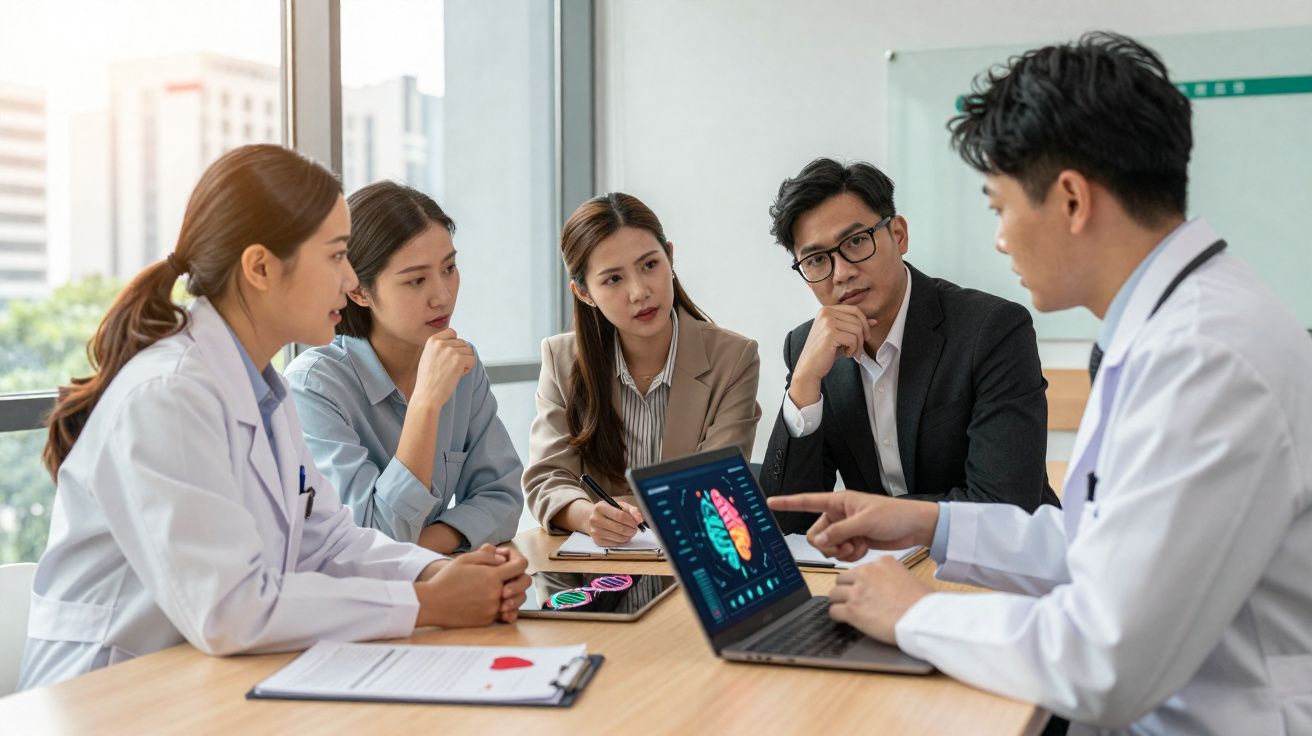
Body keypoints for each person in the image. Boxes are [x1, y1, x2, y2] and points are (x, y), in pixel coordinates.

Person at [768, 32, 1312, 734]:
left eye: (998, 206)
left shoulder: (1203, 358)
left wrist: (916, 613)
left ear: (1072, 200)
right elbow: (1098, 549)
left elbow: (1102, 660)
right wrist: (931, 521)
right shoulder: (1180, 325)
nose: (998, 238)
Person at [20, 145, 530, 691]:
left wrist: (438, 572)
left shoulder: (263, 390)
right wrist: (425, 600)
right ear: (261, 267)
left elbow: (330, 541)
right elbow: (230, 608)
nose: (346, 282)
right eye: (336, 256)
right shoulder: (168, 394)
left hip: (204, 680)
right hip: (111, 694)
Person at [761, 157, 1058, 533]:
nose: (842, 272)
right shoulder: (807, 348)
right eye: (817, 259)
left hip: (1002, 566)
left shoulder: (991, 330)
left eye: (856, 241)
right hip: (881, 568)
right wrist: (802, 386)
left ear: (898, 235)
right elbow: (785, 520)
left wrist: (867, 518)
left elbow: (1003, 505)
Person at [286, 181, 523, 553]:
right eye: (416, 280)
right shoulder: (313, 387)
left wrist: (424, 544)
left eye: (449, 268)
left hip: (436, 584)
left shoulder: (461, 363)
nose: (443, 296)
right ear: (359, 291)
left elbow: (503, 499)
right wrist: (425, 406)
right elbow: (369, 538)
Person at [524, 192, 762, 546]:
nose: (639, 292)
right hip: (601, 569)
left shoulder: (734, 358)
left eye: (650, 265)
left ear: (670, 256)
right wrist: (587, 516)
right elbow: (547, 479)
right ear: (584, 293)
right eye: (613, 280)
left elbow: (713, 489)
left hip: (699, 556)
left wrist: (616, 508)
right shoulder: (561, 360)